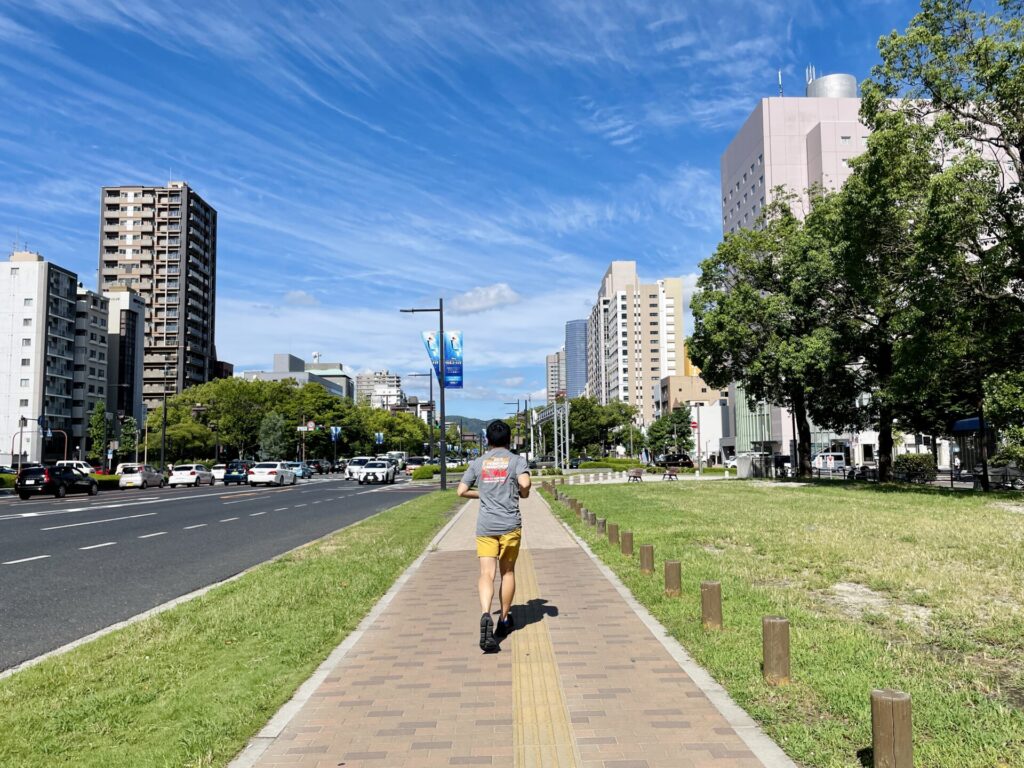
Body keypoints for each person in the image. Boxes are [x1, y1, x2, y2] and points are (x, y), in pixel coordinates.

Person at [457, 420, 531, 653]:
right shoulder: (517, 460)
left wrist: (484, 494)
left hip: (486, 526)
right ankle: (504, 620)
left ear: (487, 440)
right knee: (507, 572)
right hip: (510, 526)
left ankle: (485, 613)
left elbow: (461, 491)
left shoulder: (478, 462)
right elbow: (525, 483)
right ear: (509, 440)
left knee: (486, 574)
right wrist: (522, 492)